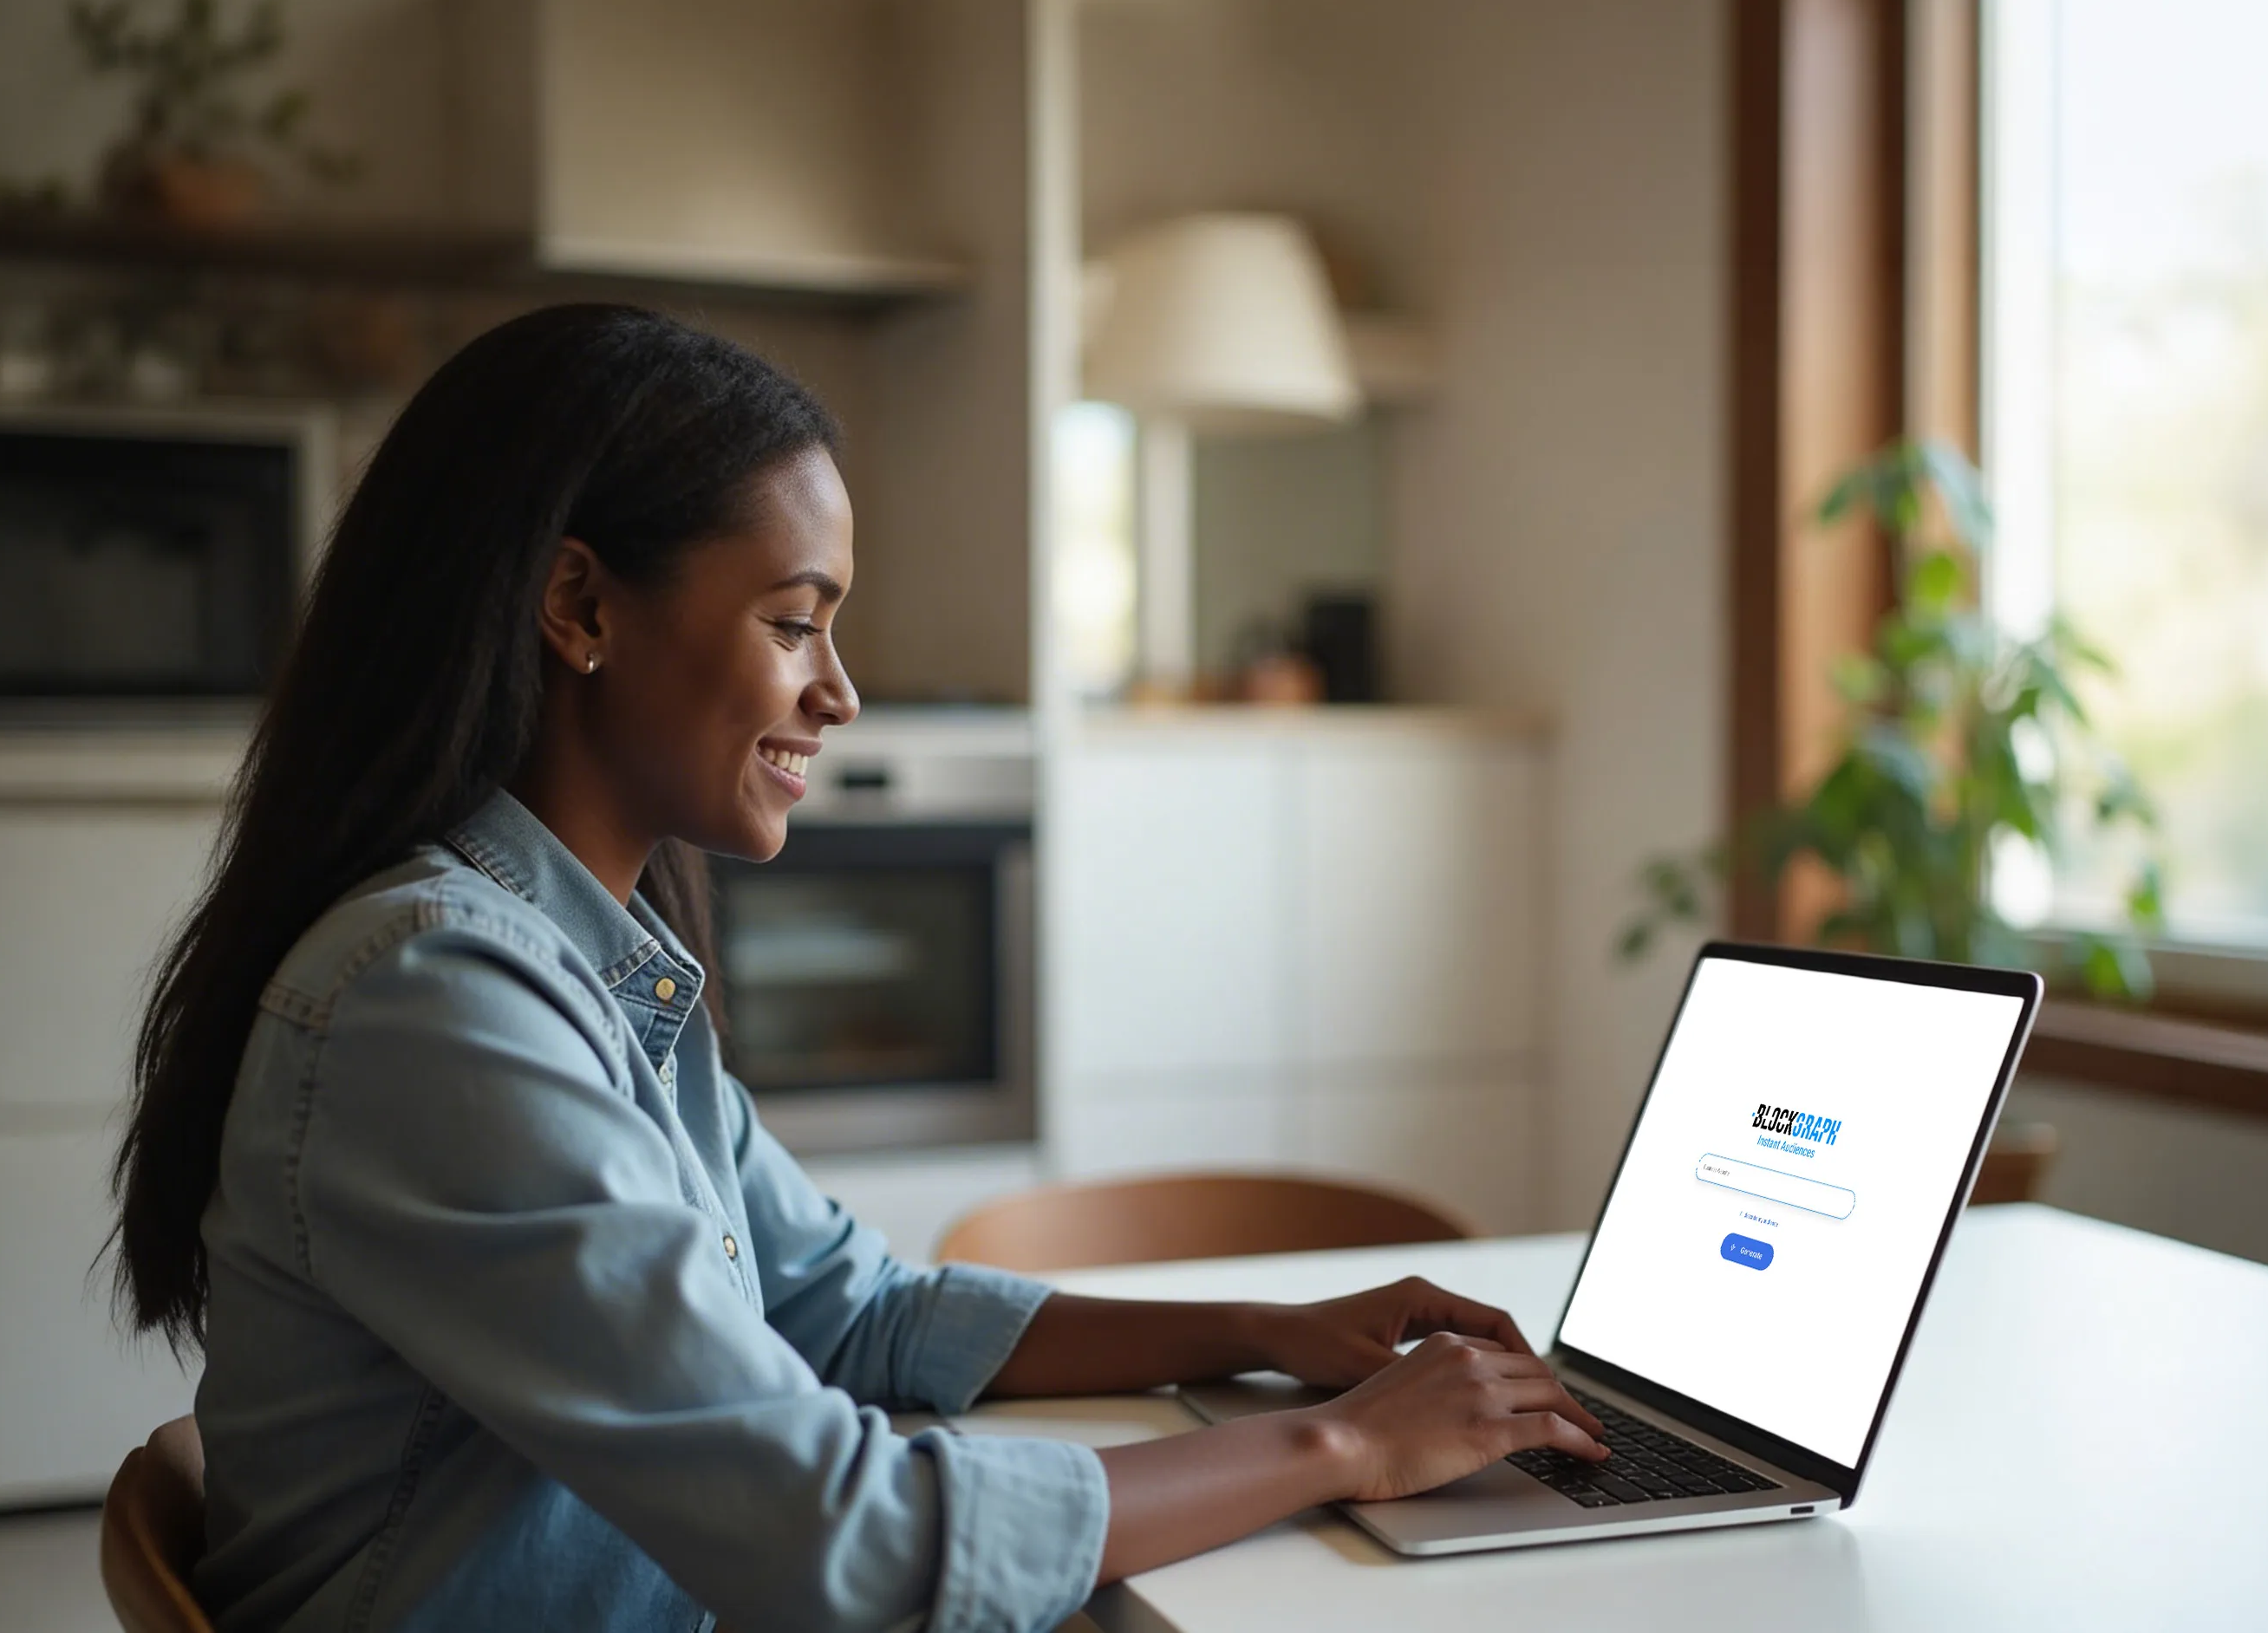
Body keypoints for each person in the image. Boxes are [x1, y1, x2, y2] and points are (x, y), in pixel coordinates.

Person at [112, 304, 1606, 1633]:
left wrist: (1262, 1333)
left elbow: (850, 1307)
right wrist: (1344, 1447)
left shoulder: (581, 964)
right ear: (580, 607)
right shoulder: (435, 1002)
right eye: (791, 620)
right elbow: (842, 1541)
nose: (839, 690)